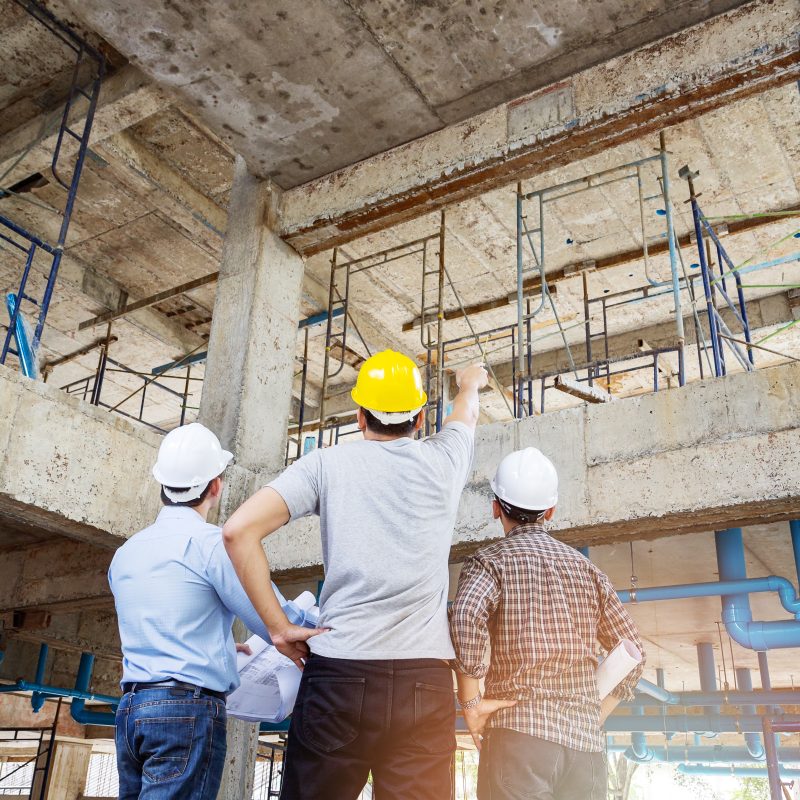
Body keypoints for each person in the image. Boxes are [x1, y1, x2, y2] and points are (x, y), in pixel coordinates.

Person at [222, 350, 490, 800]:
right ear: (420, 419)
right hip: (423, 681)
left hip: (340, 675)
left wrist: (278, 627)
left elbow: (237, 532)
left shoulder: (326, 465)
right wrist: (470, 383)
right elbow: (465, 415)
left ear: (359, 416)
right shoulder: (445, 462)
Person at [108, 423, 318, 799]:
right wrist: (315, 627)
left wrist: (219, 648)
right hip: (185, 712)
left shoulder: (126, 553)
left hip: (131, 712)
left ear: (161, 484)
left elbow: (160, 623)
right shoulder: (210, 545)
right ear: (216, 486)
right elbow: (270, 619)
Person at [449, 447, 645, 800]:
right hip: (584, 750)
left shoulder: (489, 563)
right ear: (550, 511)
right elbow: (633, 652)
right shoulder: (587, 571)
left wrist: (472, 703)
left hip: (518, 737)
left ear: (495, 507)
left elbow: (466, 616)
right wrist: (593, 714)